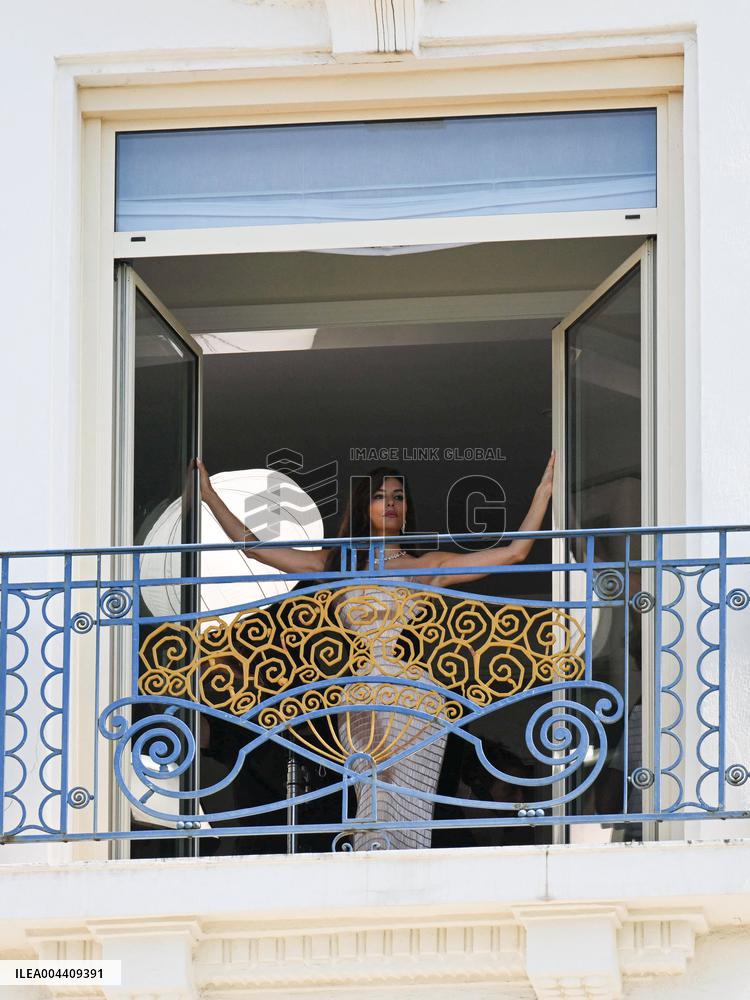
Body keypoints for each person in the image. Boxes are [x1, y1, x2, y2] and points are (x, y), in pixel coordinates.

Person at [196, 453, 555, 850]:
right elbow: (255, 549)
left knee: (411, 796)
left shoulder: (425, 565)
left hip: (414, 696)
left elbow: (513, 554)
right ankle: (373, 854)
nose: (390, 504)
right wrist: (211, 498)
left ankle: (401, 862)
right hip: (362, 695)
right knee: (370, 788)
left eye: (398, 497)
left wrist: (542, 493)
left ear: (407, 509)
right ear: (364, 507)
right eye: (380, 496)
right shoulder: (338, 564)